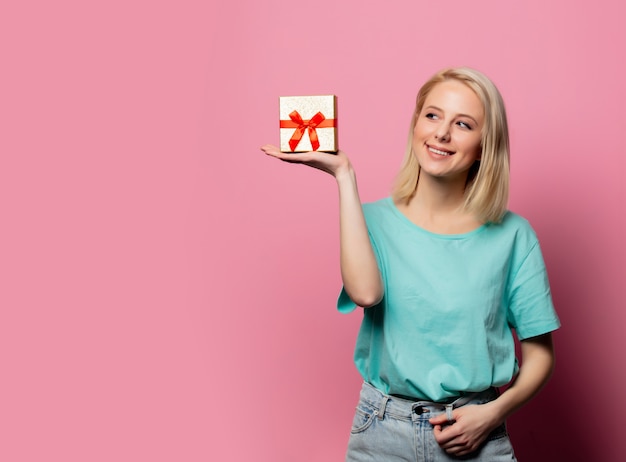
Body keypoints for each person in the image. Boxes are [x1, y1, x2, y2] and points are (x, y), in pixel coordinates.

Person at [261, 67, 560, 461]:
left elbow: (540, 356)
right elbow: (365, 293)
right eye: (432, 115)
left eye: (463, 124)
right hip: (382, 433)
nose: (441, 133)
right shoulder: (372, 221)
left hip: (475, 434)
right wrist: (343, 175)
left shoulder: (513, 236)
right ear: (416, 123)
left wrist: (491, 415)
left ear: (485, 145)